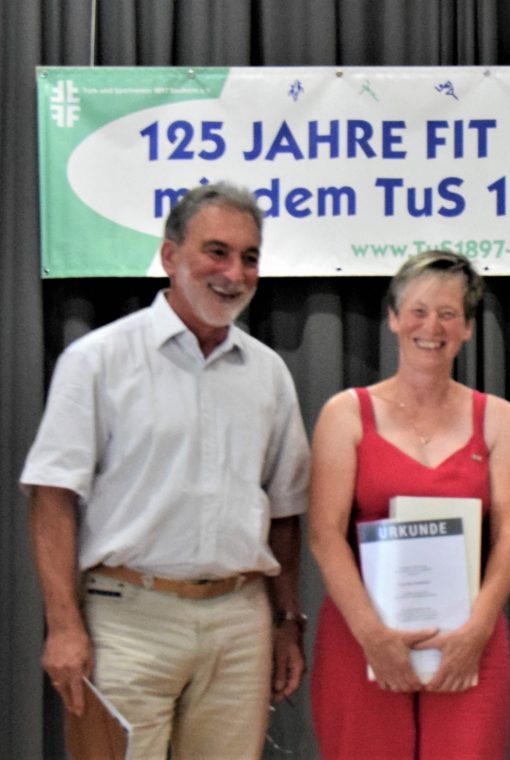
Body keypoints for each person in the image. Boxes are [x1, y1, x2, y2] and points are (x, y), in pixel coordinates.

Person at [20, 182, 311, 758]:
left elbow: (285, 513)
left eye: (250, 257)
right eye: (217, 252)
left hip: (240, 621)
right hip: (127, 620)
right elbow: (52, 496)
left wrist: (286, 621)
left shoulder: (269, 373)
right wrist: (63, 625)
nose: (234, 273)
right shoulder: (98, 360)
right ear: (170, 256)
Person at [308, 250, 510, 759]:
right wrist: (373, 635)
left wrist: (476, 631)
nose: (432, 327)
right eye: (419, 311)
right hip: (361, 636)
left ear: (467, 328)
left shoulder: (500, 419)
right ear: (392, 318)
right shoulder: (346, 413)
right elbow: (324, 534)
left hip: (468, 639)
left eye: (449, 314)